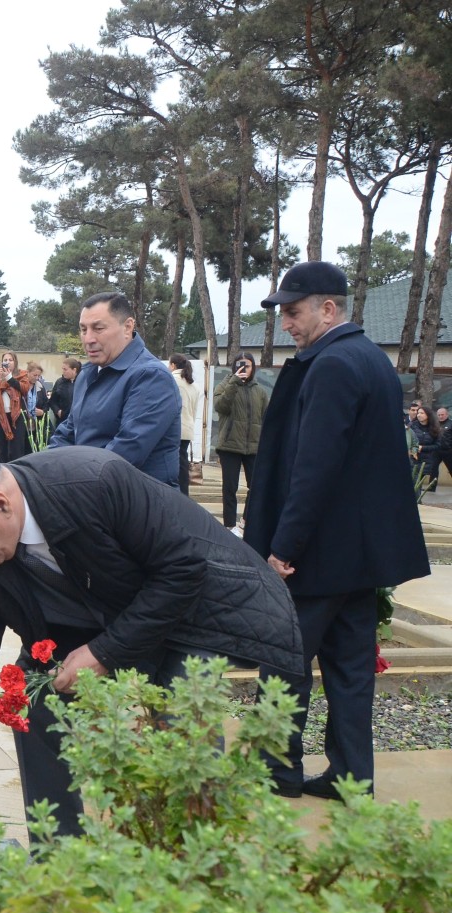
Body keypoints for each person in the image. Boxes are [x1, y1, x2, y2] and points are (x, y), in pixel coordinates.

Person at [0, 441, 304, 840]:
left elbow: (182, 570)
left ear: (1, 503)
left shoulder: (93, 481)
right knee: (36, 701)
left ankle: (194, 859)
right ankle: (60, 861)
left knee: (183, 715)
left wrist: (104, 652)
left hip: (190, 611)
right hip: (102, 615)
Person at [243, 261, 429, 802]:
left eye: (294, 312)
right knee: (350, 671)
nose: (286, 324)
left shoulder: (331, 366)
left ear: (329, 308)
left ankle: (275, 770)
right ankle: (351, 778)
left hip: (317, 557)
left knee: (284, 662)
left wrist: (283, 548)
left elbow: (314, 467)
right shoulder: (369, 359)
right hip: (361, 558)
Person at [48, 292, 181, 486]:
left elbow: (123, 454)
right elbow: (67, 433)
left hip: (137, 506)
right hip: (90, 497)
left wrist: (68, 480)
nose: (88, 339)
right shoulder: (86, 374)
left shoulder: (151, 377)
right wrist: (45, 471)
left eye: (98, 328)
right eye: (83, 329)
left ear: (127, 327)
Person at [212, 352, 266, 531]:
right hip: (229, 446)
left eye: (248, 365)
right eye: (239, 365)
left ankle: (245, 521)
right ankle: (229, 526)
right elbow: (221, 406)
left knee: (256, 487)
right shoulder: (224, 385)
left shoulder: (260, 391)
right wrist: (234, 382)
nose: (243, 369)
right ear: (234, 366)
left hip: (253, 447)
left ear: (253, 368)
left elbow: (266, 418)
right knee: (230, 488)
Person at [0, 351, 32, 462]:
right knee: (1, 448)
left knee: (16, 448)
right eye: (5, 360)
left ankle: (16, 472)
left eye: (10, 360)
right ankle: (2, 471)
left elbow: (24, 389)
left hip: (17, 415)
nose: (7, 362)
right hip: (0, 415)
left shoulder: (22, 374)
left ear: (15, 362)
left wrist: (9, 377)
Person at [169, 354, 203, 496]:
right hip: (187, 428)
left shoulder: (171, 380)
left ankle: (174, 494)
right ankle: (184, 494)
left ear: (173, 365)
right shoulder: (194, 385)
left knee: (170, 462)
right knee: (183, 463)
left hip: (172, 428)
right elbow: (194, 410)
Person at [409, 406, 440, 492]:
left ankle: (417, 502)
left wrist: (423, 448)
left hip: (425, 461)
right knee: (413, 482)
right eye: (418, 413)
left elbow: (437, 445)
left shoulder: (434, 428)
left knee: (418, 483)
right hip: (412, 459)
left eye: (422, 413)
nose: (419, 415)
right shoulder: (412, 426)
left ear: (428, 415)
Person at [48, 358, 81, 424]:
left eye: (65, 369)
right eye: (62, 369)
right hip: (63, 421)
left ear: (74, 370)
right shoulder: (59, 382)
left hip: (79, 422)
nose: (63, 371)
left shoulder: (83, 382)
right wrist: (58, 411)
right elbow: (52, 401)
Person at [438, 407, 452, 485]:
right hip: (437, 450)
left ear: (446, 414)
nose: (440, 416)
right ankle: (431, 488)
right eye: (439, 415)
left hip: (448, 450)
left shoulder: (451, 423)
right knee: (433, 468)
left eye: (442, 414)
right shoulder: (435, 424)